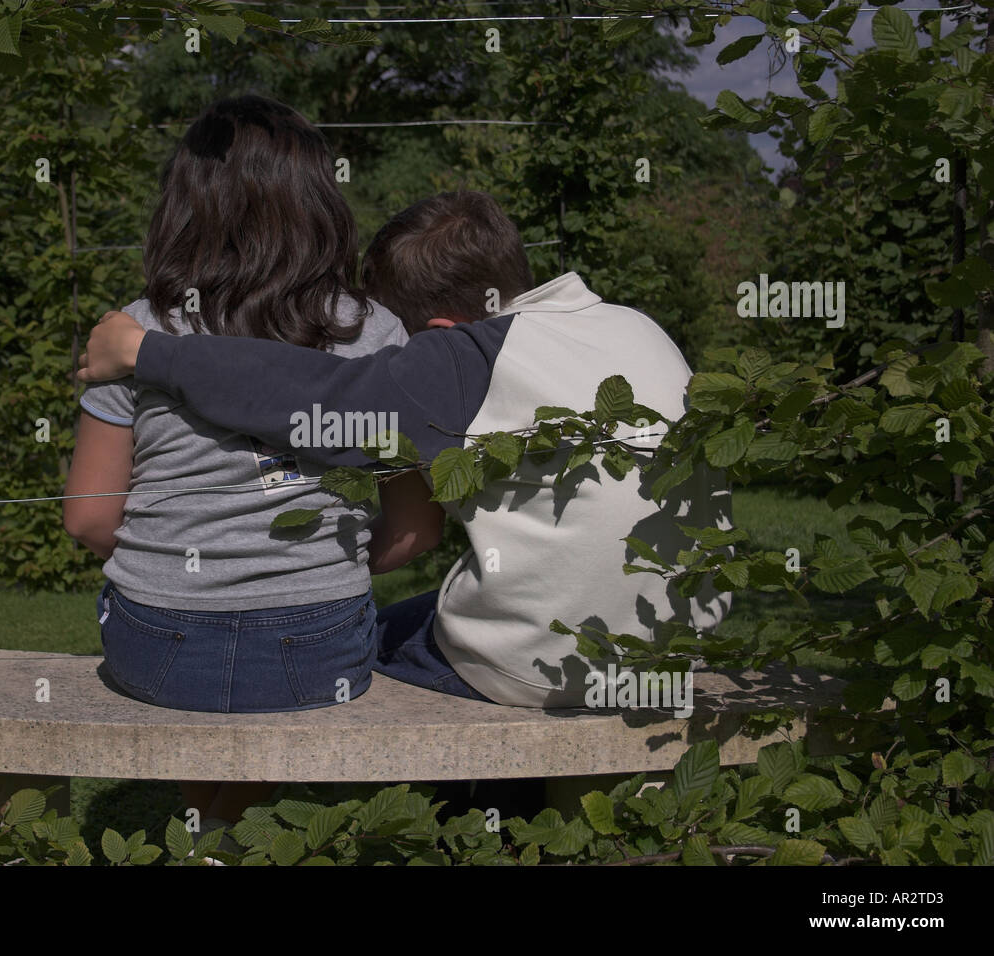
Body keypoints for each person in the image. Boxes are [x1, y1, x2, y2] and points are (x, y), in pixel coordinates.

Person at [77, 190, 733, 709]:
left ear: (441, 331)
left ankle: (473, 819)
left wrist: (145, 351)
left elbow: (315, 401)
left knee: (362, 640)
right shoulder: (635, 325)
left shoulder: (467, 357)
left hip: (551, 663)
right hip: (675, 646)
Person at [61, 95, 411, 828]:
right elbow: (418, 532)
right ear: (320, 202)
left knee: (206, 701)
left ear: (184, 206)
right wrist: (323, 564)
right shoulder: (374, 331)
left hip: (155, 641)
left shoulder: (136, 330)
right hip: (317, 638)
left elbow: (90, 519)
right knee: (270, 695)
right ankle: (226, 835)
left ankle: (212, 831)